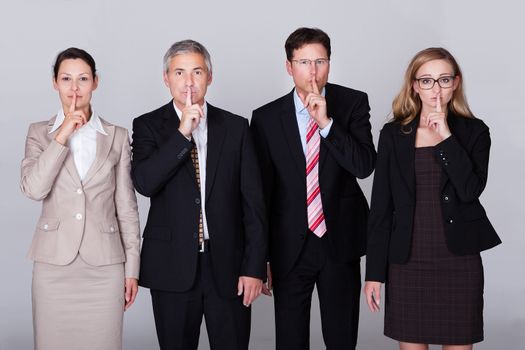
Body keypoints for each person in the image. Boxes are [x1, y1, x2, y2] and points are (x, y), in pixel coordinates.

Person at [131, 39, 267, 350]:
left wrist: (254, 266)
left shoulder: (236, 127)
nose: (188, 82)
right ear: (166, 78)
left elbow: (254, 204)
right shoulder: (148, 125)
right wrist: (182, 134)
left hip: (229, 267)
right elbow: (145, 183)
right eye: (179, 73)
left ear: (209, 76)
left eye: (197, 72)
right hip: (171, 267)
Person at [364, 47, 502, 350]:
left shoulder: (475, 132)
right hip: (408, 260)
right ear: (414, 86)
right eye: (426, 80)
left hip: (458, 259)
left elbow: (470, 190)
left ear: (456, 83)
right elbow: (381, 209)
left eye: (443, 79)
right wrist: (374, 274)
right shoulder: (392, 135)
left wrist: (447, 138)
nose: (435, 88)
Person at [251, 27, 376, 350]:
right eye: (304, 62)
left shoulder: (352, 103)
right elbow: (261, 192)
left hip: (340, 241)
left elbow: (364, 166)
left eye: (320, 61)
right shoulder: (265, 118)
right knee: (290, 339)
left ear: (329, 64)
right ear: (289, 66)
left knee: (341, 336)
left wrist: (327, 125)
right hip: (289, 246)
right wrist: (261, 256)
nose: (312, 71)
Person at [20, 47, 140, 350]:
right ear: (55, 83)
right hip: (53, 266)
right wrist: (61, 135)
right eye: (66, 79)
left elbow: (126, 208)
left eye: (83, 78)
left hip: (105, 268)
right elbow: (34, 189)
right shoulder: (39, 133)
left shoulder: (117, 135)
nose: (75, 88)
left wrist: (132, 270)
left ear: (96, 82)